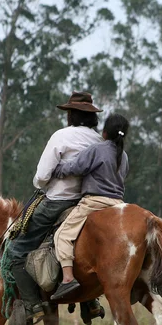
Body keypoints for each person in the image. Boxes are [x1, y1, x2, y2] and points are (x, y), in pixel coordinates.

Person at [6, 92, 104, 325]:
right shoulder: (100, 141)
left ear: (71, 114)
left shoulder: (61, 136)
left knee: (15, 250)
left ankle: (32, 304)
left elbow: (41, 176)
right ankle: (90, 300)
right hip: (89, 202)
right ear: (91, 117)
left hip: (57, 202)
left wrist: (40, 185)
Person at [50, 113, 130, 300]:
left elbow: (76, 168)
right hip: (117, 204)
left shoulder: (97, 149)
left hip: (94, 203)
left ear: (104, 132)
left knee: (62, 235)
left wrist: (57, 170)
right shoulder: (124, 156)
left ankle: (68, 278)